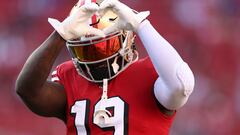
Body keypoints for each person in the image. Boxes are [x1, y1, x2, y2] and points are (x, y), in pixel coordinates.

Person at [15, 0, 195, 134]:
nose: (96, 58)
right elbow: (27, 90)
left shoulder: (149, 72)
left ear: (127, 36)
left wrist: (141, 25)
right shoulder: (69, 76)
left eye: (103, 46)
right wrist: (60, 34)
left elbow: (181, 84)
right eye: (86, 50)